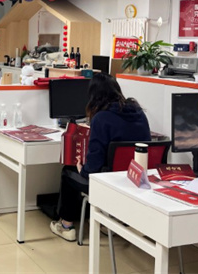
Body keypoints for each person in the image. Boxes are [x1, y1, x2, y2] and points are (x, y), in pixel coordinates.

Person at [50, 73, 151, 242]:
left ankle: (66, 226)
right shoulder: (139, 113)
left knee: (68, 171)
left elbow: (94, 164)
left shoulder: (101, 118)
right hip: (135, 180)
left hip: (109, 183)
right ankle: (106, 220)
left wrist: (82, 169)